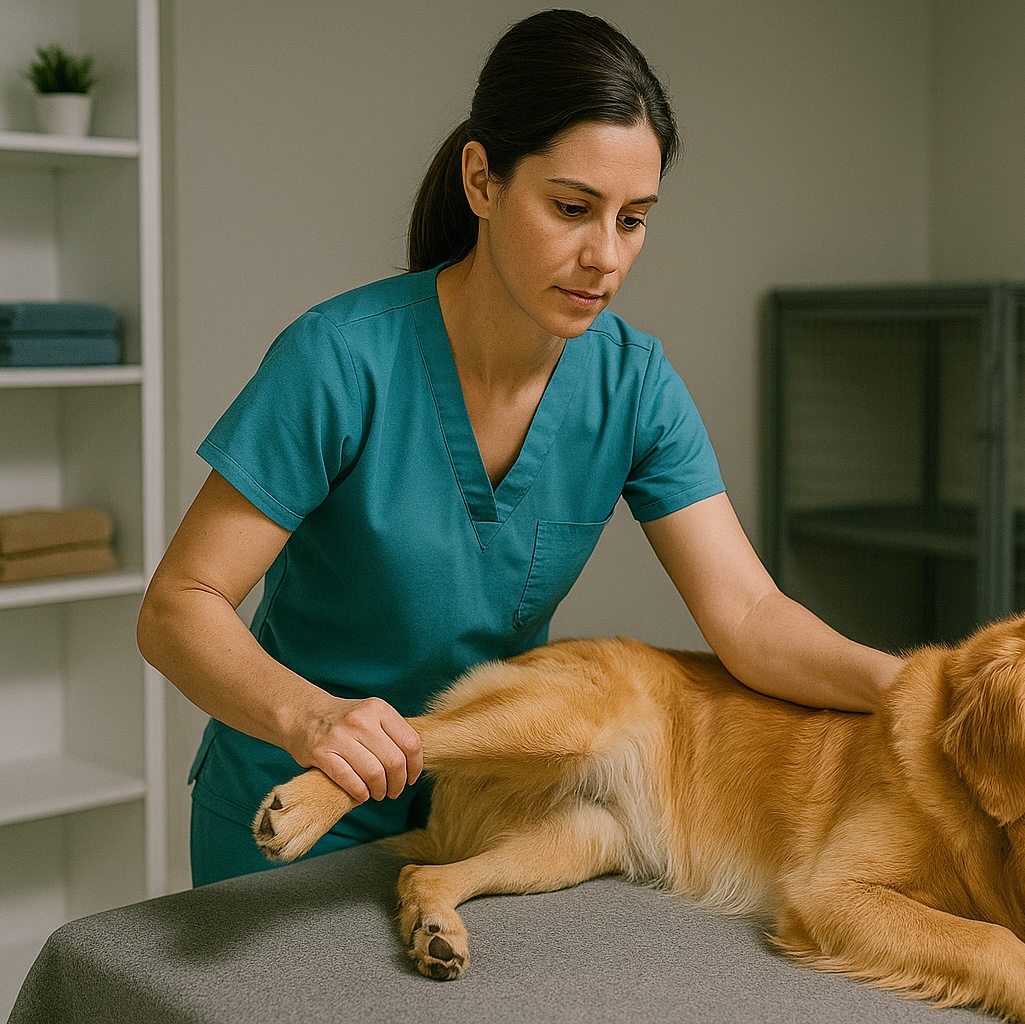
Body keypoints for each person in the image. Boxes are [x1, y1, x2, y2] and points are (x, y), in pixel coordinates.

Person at [137, 9, 902, 887]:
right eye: (572, 209)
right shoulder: (340, 359)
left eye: (633, 220)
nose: (603, 256)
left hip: (486, 808)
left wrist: (910, 691)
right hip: (293, 807)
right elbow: (178, 607)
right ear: (482, 181)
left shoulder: (635, 386)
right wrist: (314, 721)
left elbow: (752, 621)